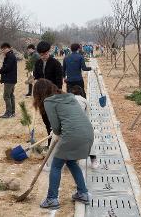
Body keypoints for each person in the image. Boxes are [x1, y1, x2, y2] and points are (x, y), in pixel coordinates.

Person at [33, 79, 93, 210]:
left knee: (56, 165)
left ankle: (52, 199)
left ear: (39, 93)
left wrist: (57, 132)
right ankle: (83, 193)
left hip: (72, 136)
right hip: (87, 133)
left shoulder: (48, 101)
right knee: (71, 162)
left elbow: (55, 126)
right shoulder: (69, 96)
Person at [33, 41, 63, 145]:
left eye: (45, 54)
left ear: (49, 52)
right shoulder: (38, 63)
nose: (43, 57)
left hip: (53, 97)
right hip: (42, 98)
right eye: (41, 55)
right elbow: (36, 77)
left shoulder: (56, 63)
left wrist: (56, 96)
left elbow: (59, 82)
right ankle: (50, 140)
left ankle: (54, 142)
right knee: (46, 121)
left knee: (54, 122)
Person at [70, 85, 98, 169]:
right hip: (83, 125)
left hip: (71, 125)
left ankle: (74, 160)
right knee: (89, 142)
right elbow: (88, 116)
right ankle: (93, 160)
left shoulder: (69, 100)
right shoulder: (85, 101)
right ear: (81, 93)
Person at [0, 42, 17, 118]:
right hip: (11, 79)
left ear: (7, 48)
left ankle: (8, 113)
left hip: (9, 80)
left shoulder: (10, 56)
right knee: (11, 95)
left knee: (6, 96)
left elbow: (7, 68)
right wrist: (1, 69)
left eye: (3, 49)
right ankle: (12, 112)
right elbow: (7, 67)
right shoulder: (10, 56)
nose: (2, 51)